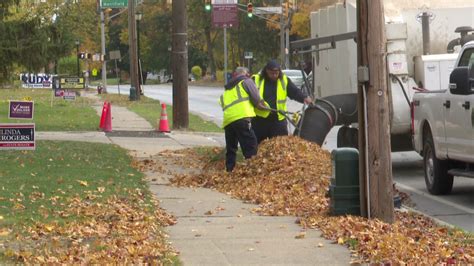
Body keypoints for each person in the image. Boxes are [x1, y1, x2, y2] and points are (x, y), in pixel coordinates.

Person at [251, 60, 313, 144]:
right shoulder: (256, 79)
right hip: (260, 121)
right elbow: (247, 96)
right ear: (266, 71)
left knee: (281, 147)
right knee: (258, 147)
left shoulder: (284, 80)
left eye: (276, 73)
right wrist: (255, 104)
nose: (274, 75)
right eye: (271, 73)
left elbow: (294, 92)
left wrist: (304, 98)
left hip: (278, 120)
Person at [219, 67, 266, 172]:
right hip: (242, 118)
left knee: (231, 148)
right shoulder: (246, 81)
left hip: (228, 121)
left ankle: (229, 170)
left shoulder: (228, 89)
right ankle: (252, 170)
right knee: (251, 145)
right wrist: (263, 106)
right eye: (247, 73)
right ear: (245, 73)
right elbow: (256, 98)